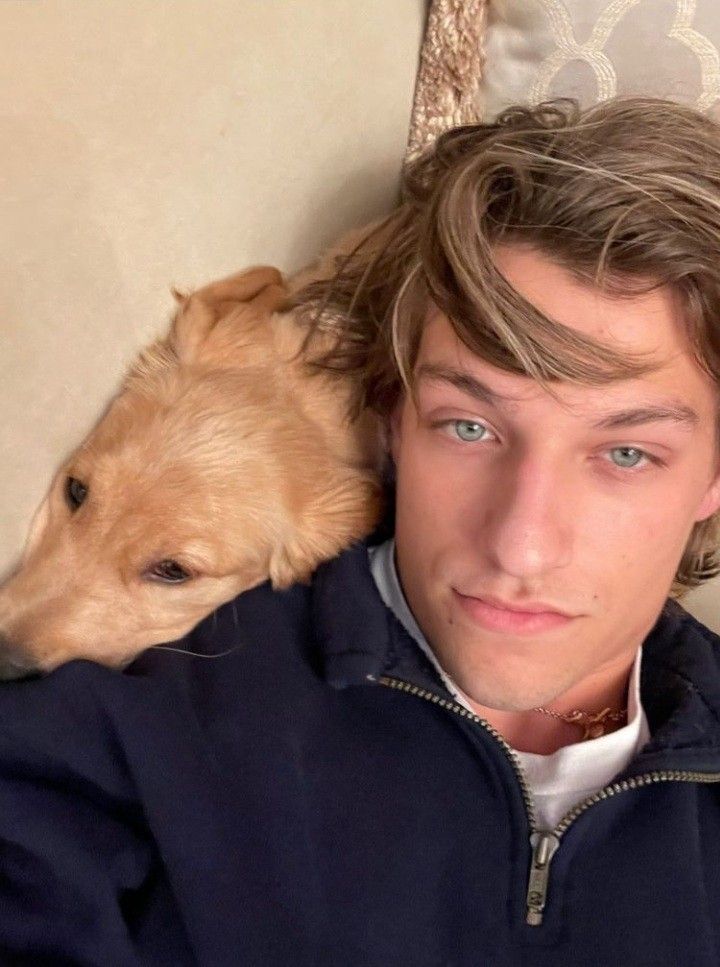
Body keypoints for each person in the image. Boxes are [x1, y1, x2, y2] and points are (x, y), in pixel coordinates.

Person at [2, 96, 720, 966]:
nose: (520, 545)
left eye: (628, 452)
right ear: (392, 420)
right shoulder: (151, 716)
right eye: (469, 425)